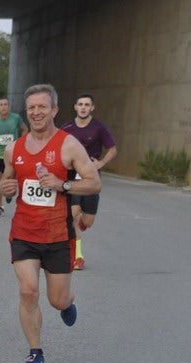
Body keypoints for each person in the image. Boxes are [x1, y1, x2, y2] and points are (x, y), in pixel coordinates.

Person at [0, 84, 100, 363]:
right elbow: (7, 182)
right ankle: (36, 353)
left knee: (57, 300)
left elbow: (94, 183)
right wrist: (6, 189)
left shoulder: (68, 145)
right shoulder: (13, 149)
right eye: (31, 107)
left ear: (54, 110)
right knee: (28, 291)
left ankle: (67, 303)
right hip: (24, 233)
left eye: (42, 106)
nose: (36, 112)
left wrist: (62, 184)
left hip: (57, 235)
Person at [61, 93, 117, 270]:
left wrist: (101, 163)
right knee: (72, 214)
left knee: (87, 221)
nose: (83, 107)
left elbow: (112, 149)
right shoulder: (67, 128)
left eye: (87, 105)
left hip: (91, 180)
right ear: (75, 107)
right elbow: (57, 148)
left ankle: (82, 224)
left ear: (92, 108)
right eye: (80, 104)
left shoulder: (99, 127)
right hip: (72, 179)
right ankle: (77, 256)